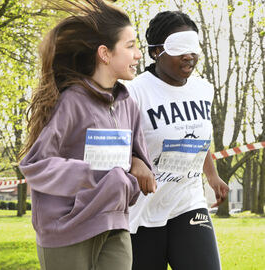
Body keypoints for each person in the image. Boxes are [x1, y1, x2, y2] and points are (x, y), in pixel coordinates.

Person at [19, 1, 156, 269]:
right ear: (105, 53)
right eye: (130, 46)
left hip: (115, 223)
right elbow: (35, 165)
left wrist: (138, 165)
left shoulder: (128, 104)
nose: (139, 55)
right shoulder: (71, 101)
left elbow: (137, 158)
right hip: (67, 229)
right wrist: (95, 174)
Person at [125, 10, 230, 270]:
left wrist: (212, 175)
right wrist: (135, 161)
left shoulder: (203, 90)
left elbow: (195, 136)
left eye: (192, 47)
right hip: (143, 210)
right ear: (155, 52)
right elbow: (116, 143)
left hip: (188, 202)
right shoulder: (132, 92)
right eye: (179, 48)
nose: (189, 55)